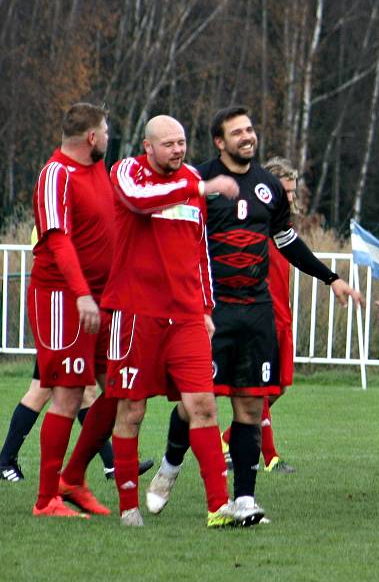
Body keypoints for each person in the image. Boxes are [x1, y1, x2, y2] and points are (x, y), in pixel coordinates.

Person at [145, 107, 362, 525]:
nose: (248, 137)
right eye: (237, 132)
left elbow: (286, 240)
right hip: (210, 310)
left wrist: (330, 278)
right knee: (195, 404)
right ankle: (171, 466)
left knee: (250, 406)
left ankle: (245, 498)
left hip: (256, 310)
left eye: (250, 129)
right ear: (220, 142)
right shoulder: (197, 181)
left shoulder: (268, 186)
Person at [102, 115, 244, 528]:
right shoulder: (126, 170)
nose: (178, 150)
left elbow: (200, 251)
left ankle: (218, 507)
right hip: (134, 314)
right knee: (131, 412)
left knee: (203, 405)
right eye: (168, 144)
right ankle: (128, 508)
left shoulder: (193, 181)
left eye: (182, 142)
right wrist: (199, 186)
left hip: (184, 316)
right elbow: (139, 201)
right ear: (148, 146)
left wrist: (205, 309)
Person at [26, 103, 118, 518]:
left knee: (118, 389)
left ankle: (74, 477)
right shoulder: (55, 174)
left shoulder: (100, 170)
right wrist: (81, 294)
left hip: (103, 300)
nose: (109, 137)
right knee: (67, 394)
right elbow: (58, 240)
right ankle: (47, 499)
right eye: (107, 131)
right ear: (92, 138)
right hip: (62, 299)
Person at [219, 156, 299, 475]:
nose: (290, 198)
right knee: (260, 387)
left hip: (283, 317)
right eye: (286, 191)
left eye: (293, 193)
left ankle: (228, 439)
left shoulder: (282, 229)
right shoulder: (251, 223)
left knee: (278, 387)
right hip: (260, 316)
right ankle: (270, 456)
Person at [0, 361, 152, 481]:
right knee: (42, 390)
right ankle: (5, 462)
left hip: (66, 329)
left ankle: (111, 464)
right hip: (61, 329)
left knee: (86, 393)